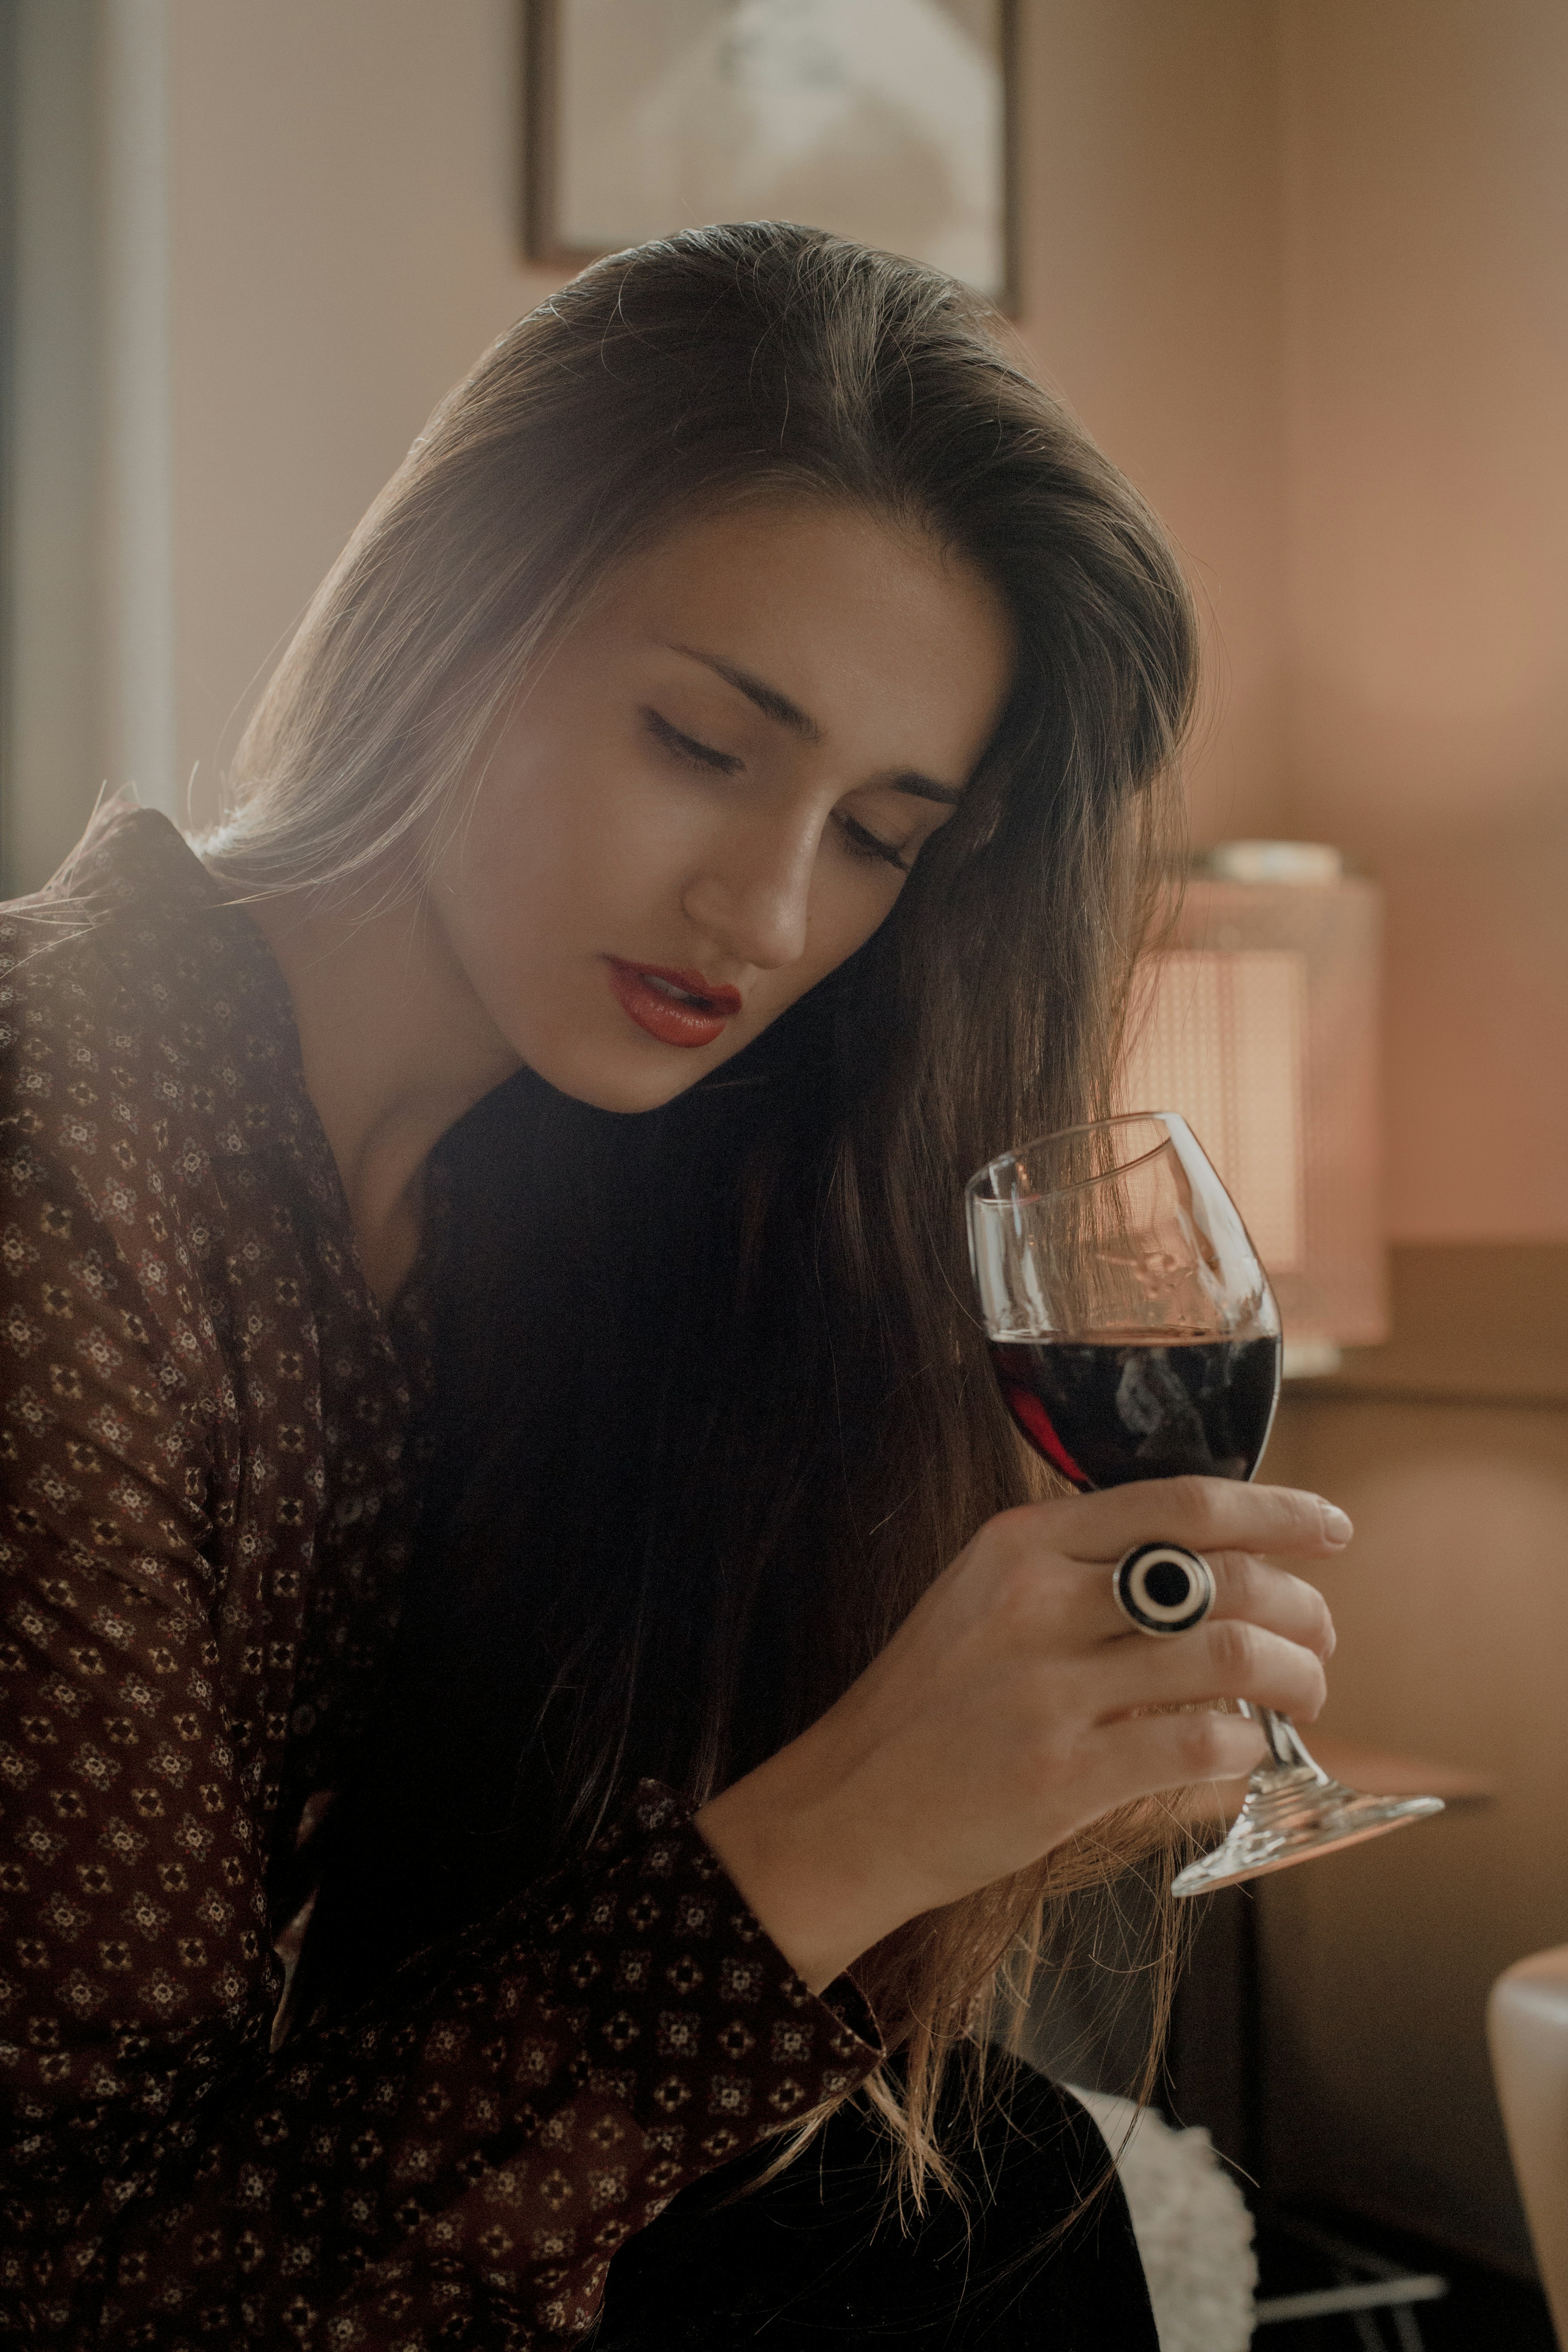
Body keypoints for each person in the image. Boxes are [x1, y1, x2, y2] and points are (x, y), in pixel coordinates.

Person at [0, 224, 1343, 2345]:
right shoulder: (52, 1163)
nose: (770, 905)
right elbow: (81, 2281)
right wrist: (844, 1824)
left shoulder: (577, 1204)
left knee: (997, 2200)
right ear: (457, 610)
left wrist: (1016, 1772)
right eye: (704, 745)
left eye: (885, 836)